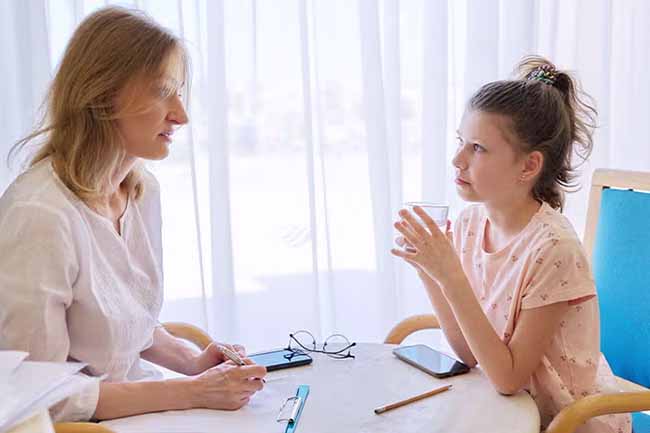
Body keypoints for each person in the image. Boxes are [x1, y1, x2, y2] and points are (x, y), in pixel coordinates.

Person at [0, 6, 266, 422]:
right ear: (102, 94)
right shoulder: (40, 215)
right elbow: (42, 399)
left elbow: (129, 327)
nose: (181, 114)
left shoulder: (142, 192)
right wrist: (191, 391)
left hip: (140, 417)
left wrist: (195, 363)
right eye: (163, 91)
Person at [391, 57, 630, 433]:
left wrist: (449, 274)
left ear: (529, 166)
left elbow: (508, 378)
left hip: (566, 422)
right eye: (460, 143)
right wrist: (430, 270)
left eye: (478, 148)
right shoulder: (472, 223)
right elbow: (470, 353)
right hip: (508, 413)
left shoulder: (554, 248)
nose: (457, 160)